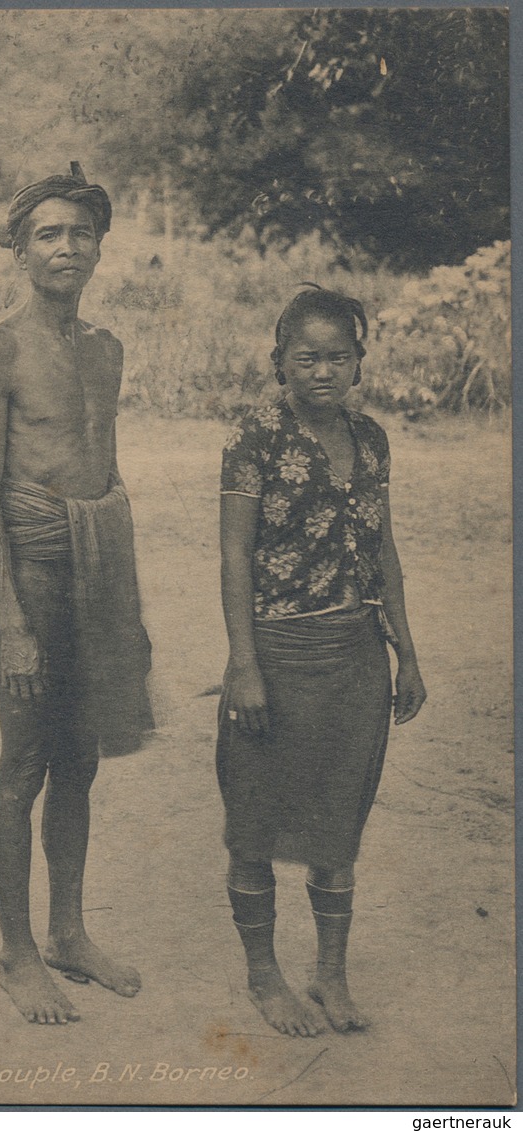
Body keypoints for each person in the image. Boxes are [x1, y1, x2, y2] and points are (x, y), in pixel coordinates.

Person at [0, 166, 152, 1025]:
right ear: (20, 248)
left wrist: (116, 592)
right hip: (31, 574)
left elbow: (98, 467)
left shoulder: (106, 349)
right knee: (26, 760)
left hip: (94, 570)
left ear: (100, 247)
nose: (65, 247)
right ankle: (16, 950)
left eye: (79, 232)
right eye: (47, 233)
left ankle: (69, 931)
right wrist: (8, 617)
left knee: (80, 756)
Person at [216, 284, 426, 1037]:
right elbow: (235, 554)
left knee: (339, 824)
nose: (322, 371)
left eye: (338, 357)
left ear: (359, 364)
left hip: (357, 660)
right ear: (280, 363)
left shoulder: (372, 440)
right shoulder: (255, 440)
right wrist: (245, 663)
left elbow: (385, 547)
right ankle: (265, 975)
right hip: (277, 654)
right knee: (257, 820)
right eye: (306, 357)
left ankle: (330, 973)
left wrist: (407, 649)